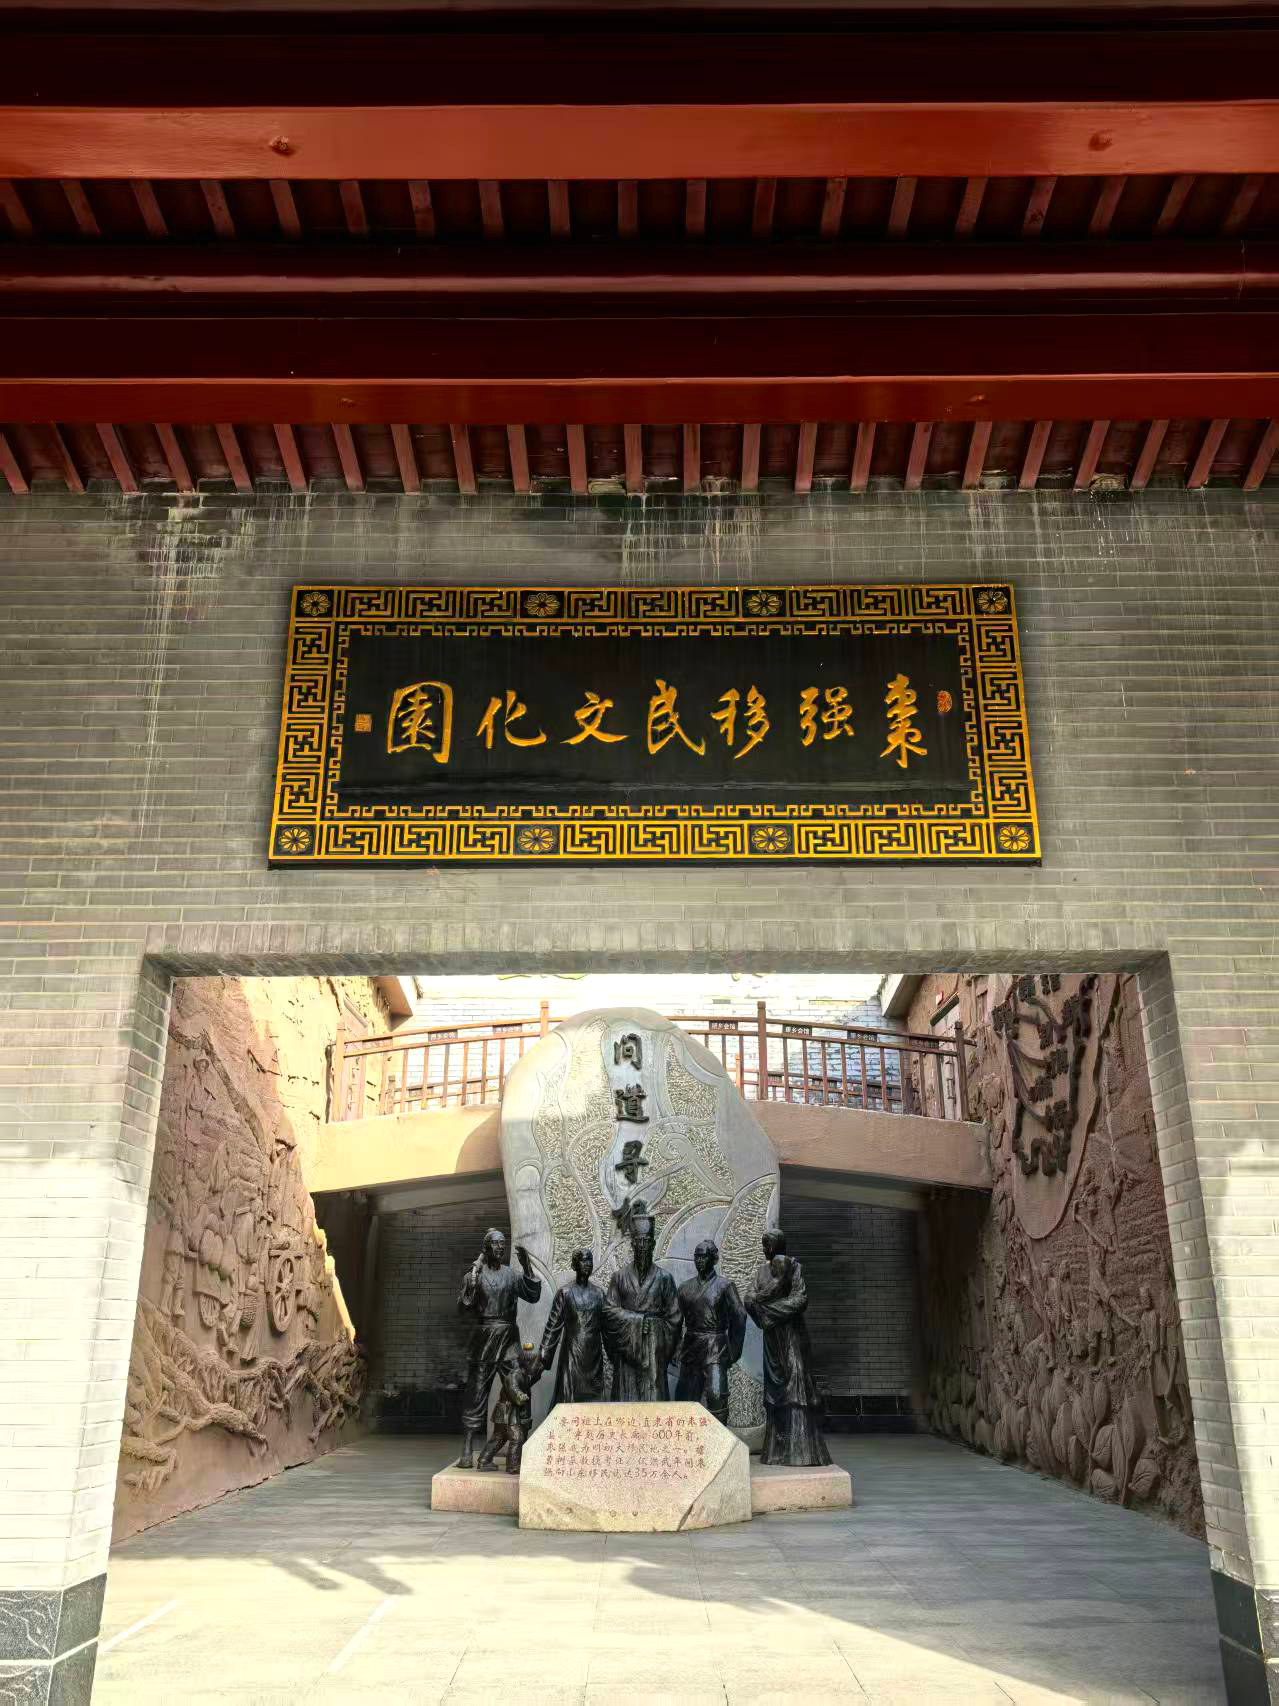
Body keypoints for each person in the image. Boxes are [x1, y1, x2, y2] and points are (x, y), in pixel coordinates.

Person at [745, 1227, 832, 1468]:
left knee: (796, 1385)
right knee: (774, 1390)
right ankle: (776, 1450)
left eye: (767, 1244)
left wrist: (768, 1313)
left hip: (791, 1335)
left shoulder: (794, 1267)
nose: (764, 1248)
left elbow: (800, 1300)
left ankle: (802, 1450)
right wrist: (766, 1303)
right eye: (763, 1244)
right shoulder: (761, 1272)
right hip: (772, 1340)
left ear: (778, 1245)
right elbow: (749, 1300)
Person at [456, 1228, 541, 1468]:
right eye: (495, 1243)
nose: (500, 1247)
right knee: (476, 1393)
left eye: (503, 1243)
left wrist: (527, 1268)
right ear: (486, 1247)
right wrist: (471, 1284)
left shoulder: (511, 1275)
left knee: (519, 1386)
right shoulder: (475, 1274)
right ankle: (467, 1449)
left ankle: (519, 1449)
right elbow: (463, 1308)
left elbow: (533, 1295)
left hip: (509, 1339)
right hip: (484, 1337)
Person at [603, 1207, 681, 1400]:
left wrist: (658, 1339)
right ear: (632, 1244)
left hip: (654, 1351)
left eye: (647, 1241)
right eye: (638, 1241)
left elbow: (675, 1318)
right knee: (626, 1399)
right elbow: (608, 1312)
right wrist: (636, 1322)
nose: (642, 1246)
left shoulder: (664, 1278)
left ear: (653, 1244)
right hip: (627, 1348)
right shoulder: (619, 1277)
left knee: (653, 1399)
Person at [674, 1239, 747, 1424]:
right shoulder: (685, 1288)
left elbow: (739, 1316)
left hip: (716, 1347)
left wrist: (733, 1351)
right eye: (696, 1256)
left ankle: (718, 1438)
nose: (699, 1260)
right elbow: (675, 1321)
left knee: (717, 1396)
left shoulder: (725, 1286)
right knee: (685, 1398)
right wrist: (676, 1347)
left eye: (703, 1256)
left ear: (713, 1259)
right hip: (691, 1346)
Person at [540, 1247, 606, 1405]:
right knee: (568, 1402)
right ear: (575, 1264)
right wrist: (543, 1355)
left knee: (594, 1405)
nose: (587, 1264)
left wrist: (618, 1354)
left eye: (590, 1260)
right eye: (583, 1260)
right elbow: (552, 1327)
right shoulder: (565, 1293)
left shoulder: (599, 1294)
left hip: (594, 1359)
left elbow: (609, 1328)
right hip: (571, 1357)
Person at [476, 1345, 543, 1475]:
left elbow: (533, 1377)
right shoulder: (514, 1376)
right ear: (527, 1364)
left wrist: (540, 1366)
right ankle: (513, 1466)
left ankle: (484, 1460)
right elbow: (514, 1390)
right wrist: (520, 1395)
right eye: (535, 1364)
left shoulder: (524, 1375)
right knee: (517, 1438)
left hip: (508, 1413)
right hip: (507, 1413)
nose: (537, 1366)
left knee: (499, 1437)